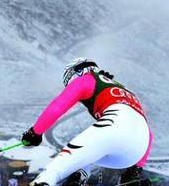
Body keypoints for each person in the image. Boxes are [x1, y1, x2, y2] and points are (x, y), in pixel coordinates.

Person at [21, 58, 152, 186]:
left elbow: (58, 106)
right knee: (87, 153)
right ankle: (79, 176)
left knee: (59, 166)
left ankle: (45, 180)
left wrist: (35, 132)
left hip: (116, 125)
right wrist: (135, 169)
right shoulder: (126, 91)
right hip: (137, 149)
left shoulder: (86, 79)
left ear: (76, 72)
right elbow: (148, 133)